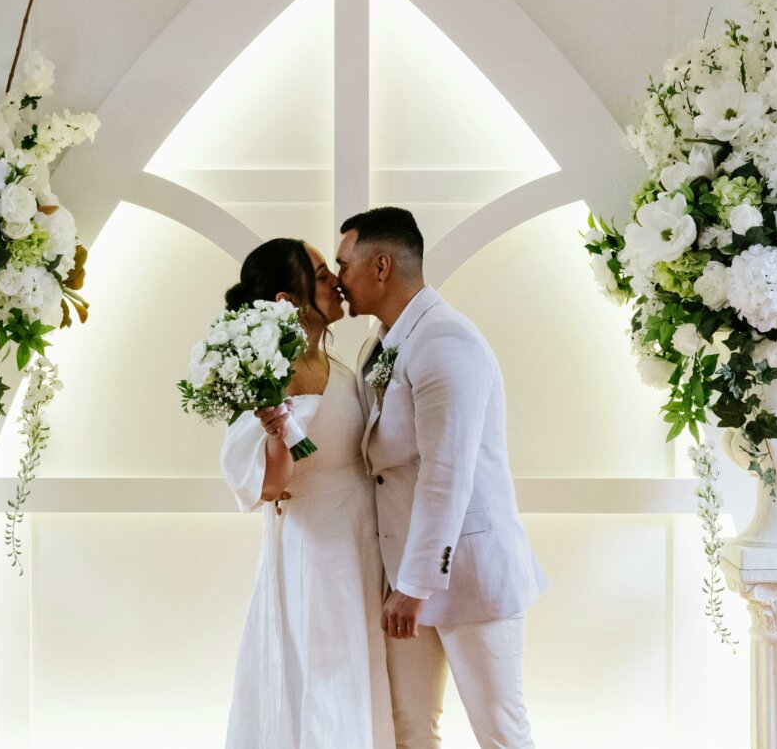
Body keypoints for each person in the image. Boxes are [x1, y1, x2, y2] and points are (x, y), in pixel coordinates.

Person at [335, 207, 547, 749]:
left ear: (381, 266)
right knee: (409, 728)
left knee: (500, 731)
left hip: (467, 576)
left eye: (344, 264)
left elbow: (445, 475)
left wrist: (413, 585)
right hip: (403, 576)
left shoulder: (446, 340)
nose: (339, 280)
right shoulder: (380, 342)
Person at [219, 237, 394, 749]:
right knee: (324, 680)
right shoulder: (271, 376)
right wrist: (276, 436)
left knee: (359, 675)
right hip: (315, 556)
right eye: (321, 276)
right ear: (287, 301)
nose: (336, 282)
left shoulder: (343, 369)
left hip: (361, 545)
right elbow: (269, 485)